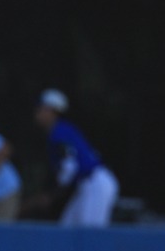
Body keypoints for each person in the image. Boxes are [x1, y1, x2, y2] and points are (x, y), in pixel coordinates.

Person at [35, 89, 117, 226]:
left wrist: (52, 196)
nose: (37, 113)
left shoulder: (59, 132)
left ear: (52, 111)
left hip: (96, 183)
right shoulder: (61, 130)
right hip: (86, 184)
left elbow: (69, 168)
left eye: (42, 109)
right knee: (67, 228)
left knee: (89, 235)